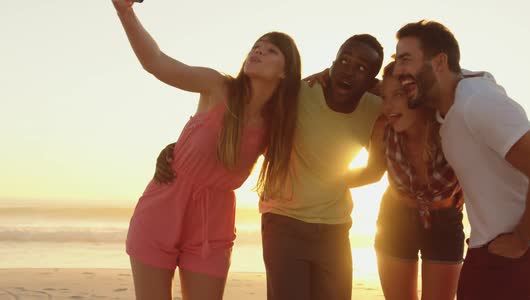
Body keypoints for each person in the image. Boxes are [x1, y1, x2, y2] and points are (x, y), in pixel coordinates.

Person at [111, 0, 302, 299]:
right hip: (161, 208)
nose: (257, 51)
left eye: (270, 50)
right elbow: (156, 62)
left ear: (286, 72)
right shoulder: (217, 87)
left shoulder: (279, 125)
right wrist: (125, 12)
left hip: (212, 225)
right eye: (256, 46)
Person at [156, 34, 385, 299]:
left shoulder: (376, 109)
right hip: (283, 222)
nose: (348, 70)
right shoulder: (296, 94)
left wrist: (328, 181)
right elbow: (239, 122)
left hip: (335, 228)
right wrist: (177, 148)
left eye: (361, 68)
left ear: (372, 79)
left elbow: (375, 171)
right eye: (344, 60)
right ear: (332, 62)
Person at [392, 19, 530, 300]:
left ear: (438, 62)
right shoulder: (446, 106)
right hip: (487, 246)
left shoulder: (478, 103)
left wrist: (521, 240)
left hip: (523, 251)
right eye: (396, 60)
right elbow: (390, 92)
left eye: (406, 59)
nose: (398, 70)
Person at [340, 60, 464, 300]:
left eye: (398, 94)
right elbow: (372, 173)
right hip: (395, 218)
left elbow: (480, 172)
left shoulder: (451, 128)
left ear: (418, 93)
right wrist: (319, 181)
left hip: (444, 221)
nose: (388, 106)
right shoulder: (384, 129)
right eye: (384, 97)